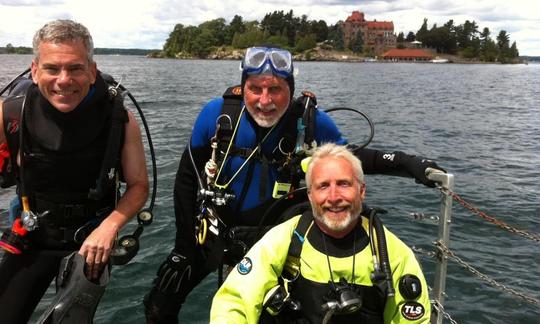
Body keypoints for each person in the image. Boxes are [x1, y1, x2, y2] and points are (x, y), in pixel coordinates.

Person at [143, 46, 442, 323]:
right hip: (215, 231)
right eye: (255, 89)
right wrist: (183, 247)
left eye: (275, 89)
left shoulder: (310, 123)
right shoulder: (218, 115)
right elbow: (185, 180)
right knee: (159, 304)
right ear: (243, 87)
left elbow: (349, 160)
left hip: (270, 239)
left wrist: (406, 162)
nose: (264, 100)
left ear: (291, 90)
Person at [0, 19, 149, 323]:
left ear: (92, 71)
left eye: (76, 68)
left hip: (91, 243)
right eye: (52, 68)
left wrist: (109, 228)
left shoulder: (119, 119)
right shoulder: (10, 114)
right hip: (33, 236)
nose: (64, 80)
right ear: (34, 70)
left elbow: (138, 186)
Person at [210, 143, 431, 323]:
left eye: (343, 184)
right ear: (309, 196)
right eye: (323, 186)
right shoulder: (284, 239)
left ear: (361, 191)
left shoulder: (392, 253)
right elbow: (234, 300)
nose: (334, 197)